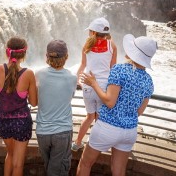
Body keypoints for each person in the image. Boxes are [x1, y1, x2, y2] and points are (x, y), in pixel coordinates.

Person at [76, 34, 157, 176]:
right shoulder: (149, 81)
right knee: (119, 171)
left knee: (85, 163)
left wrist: (94, 83)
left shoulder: (119, 70)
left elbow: (109, 101)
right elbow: (140, 110)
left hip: (108, 127)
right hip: (129, 131)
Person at [0, 37, 37, 176]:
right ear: (24, 53)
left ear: (7, 51)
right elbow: (33, 102)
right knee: (18, 164)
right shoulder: (28, 74)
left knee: (10, 153)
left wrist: (2, 89)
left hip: (3, 122)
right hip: (21, 123)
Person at [71, 17, 117, 151]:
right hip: (103, 87)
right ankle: (98, 145)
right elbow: (113, 68)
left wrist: (77, 78)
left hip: (87, 85)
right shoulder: (112, 45)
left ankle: (77, 143)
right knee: (100, 118)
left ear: (93, 32)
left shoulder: (87, 45)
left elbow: (83, 65)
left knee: (90, 116)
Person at [35, 40, 77, 176]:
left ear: (47, 56)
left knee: (49, 167)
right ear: (66, 57)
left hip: (42, 132)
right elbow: (68, 98)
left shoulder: (38, 74)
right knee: (59, 170)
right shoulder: (72, 78)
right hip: (62, 132)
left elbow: (36, 99)